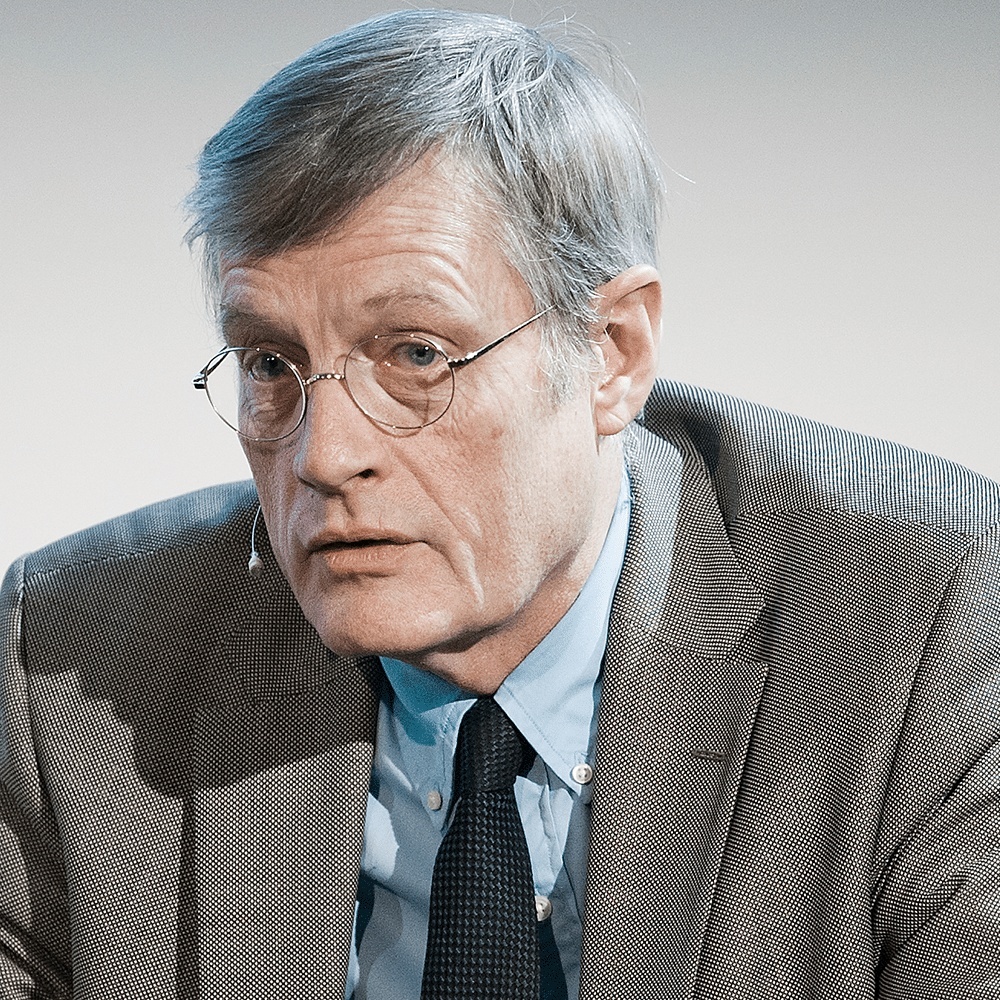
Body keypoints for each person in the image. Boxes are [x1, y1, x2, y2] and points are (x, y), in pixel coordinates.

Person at [2, 9, 998, 999]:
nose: (325, 455)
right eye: (270, 363)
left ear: (613, 355)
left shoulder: (929, 633)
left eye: (417, 354)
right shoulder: (74, 661)